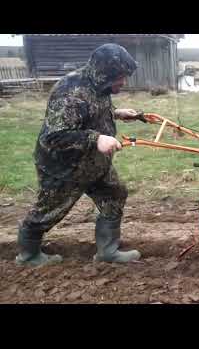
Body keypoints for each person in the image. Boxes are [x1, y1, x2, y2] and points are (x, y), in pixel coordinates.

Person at [16, 43, 142, 266]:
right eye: (120, 77)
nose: (123, 82)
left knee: (114, 194)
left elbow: (91, 111)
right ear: (105, 73)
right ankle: (28, 255)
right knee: (48, 212)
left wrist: (117, 113)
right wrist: (97, 139)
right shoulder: (70, 92)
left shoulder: (98, 85)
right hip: (64, 168)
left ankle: (108, 251)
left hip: (93, 163)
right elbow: (54, 137)